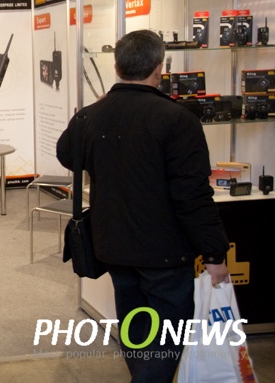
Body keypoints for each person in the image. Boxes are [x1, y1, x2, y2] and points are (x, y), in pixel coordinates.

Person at [56, 29, 230, 382]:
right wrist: (214, 253)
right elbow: (193, 195)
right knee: (168, 337)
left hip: (113, 245)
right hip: (164, 251)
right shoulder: (177, 119)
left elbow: (67, 156)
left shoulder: (90, 116)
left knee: (136, 326)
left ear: (117, 67)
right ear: (159, 67)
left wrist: (94, 113)